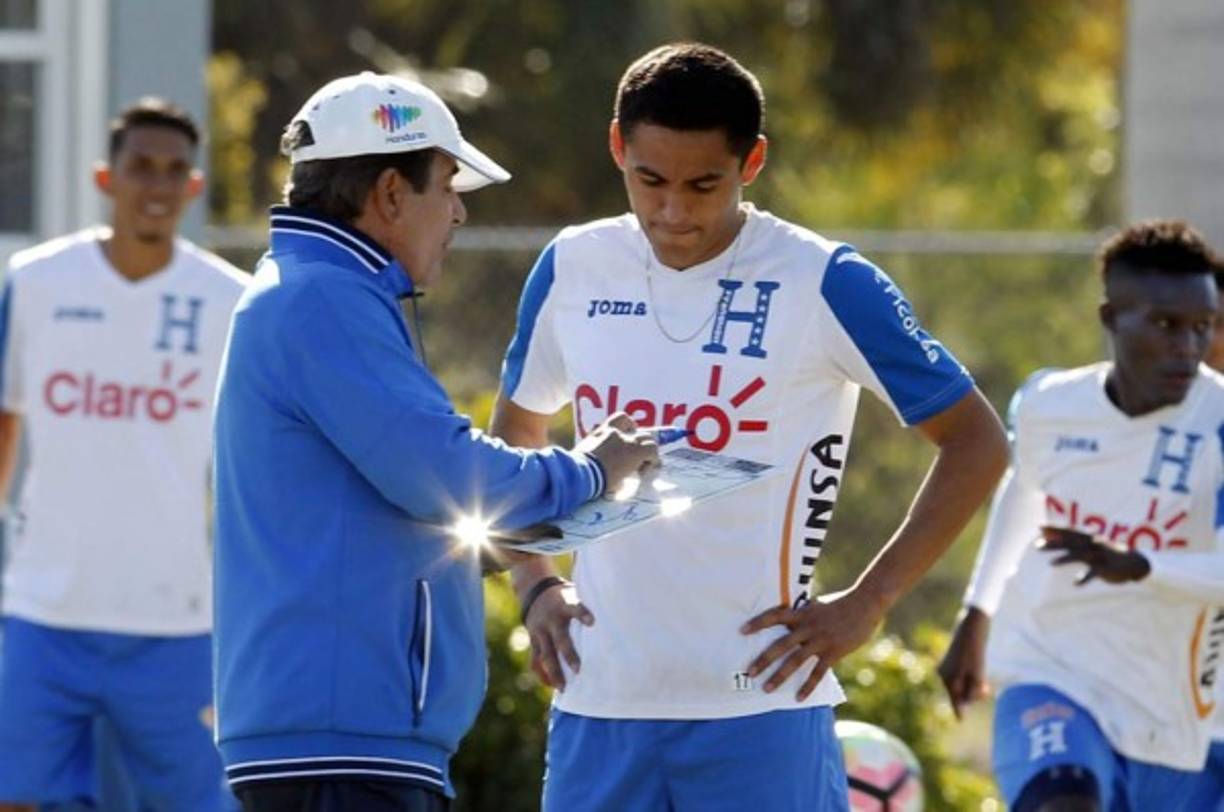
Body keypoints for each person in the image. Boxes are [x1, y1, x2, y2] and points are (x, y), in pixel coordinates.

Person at [491, 43, 1009, 811]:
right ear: (617, 149)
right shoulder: (572, 265)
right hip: (599, 708)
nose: (674, 211)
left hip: (762, 709)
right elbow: (512, 446)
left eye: (705, 184)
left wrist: (869, 601)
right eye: (650, 180)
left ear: (752, 161)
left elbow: (978, 442)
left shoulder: (824, 278)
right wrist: (536, 587)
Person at [211, 72, 658, 812]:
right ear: (390, 193)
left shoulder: (313, 289)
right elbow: (447, 473)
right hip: (342, 744)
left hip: (338, 735)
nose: (456, 212)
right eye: (447, 185)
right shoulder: (324, 297)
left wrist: (545, 532)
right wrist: (591, 472)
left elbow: (382, 528)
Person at [0, 99, 247, 810]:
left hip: (175, 620)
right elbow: (4, 424)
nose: (157, 186)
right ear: (106, 178)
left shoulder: (227, 300)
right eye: (141, 167)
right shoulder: (38, 282)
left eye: (175, 172)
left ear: (194, 188)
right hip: (45, 611)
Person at [938, 220, 1224, 811]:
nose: (1188, 349)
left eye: (1202, 328)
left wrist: (1142, 566)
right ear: (1111, 318)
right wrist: (978, 611)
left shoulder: (1217, 424)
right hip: (1053, 667)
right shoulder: (1049, 403)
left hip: (1172, 702)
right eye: (1167, 326)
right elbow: (1025, 490)